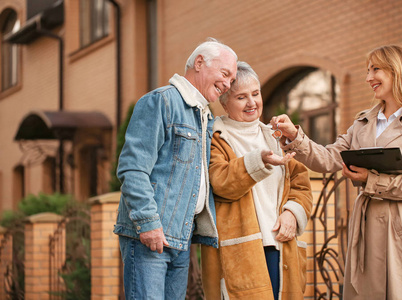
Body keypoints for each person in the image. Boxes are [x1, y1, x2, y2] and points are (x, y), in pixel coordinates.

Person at [270, 45, 402, 299]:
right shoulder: (363, 122)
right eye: (367, 70)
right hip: (367, 225)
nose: (368, 78)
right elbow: (329, 159)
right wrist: (296, 136)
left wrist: (371, 180)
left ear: (398, 71)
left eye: (376, 69)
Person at [113, 38, 238, 299]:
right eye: (225, 74)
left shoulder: (203, 115)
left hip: (180, 237)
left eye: (232, 80)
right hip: (150, 237)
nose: (228, 84)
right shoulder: (161, 102)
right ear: (200, 63)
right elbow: (132, 169)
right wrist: (148, 224)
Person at [201, 61, 313, 299]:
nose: (252, 103)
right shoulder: (215, 137)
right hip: (240, 251)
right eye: (241, 97)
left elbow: (301, 183)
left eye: (255, 93)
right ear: (224, 101)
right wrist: (257, 161)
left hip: (280, 244)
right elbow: (220, 182)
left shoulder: (276, 137)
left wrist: (292, 212)